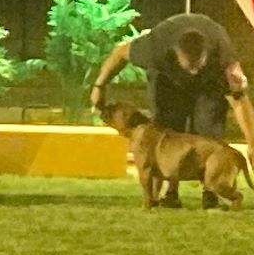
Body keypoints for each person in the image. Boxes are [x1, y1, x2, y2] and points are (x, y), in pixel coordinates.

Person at [91, 12, 254, 209]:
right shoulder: (155, 47)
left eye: (198, 65)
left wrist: (252, 142)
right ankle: (169, 194)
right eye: (189, 65)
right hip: (167, 81)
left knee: (209, 129)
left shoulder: (223, 56)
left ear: (207, 54)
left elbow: (239, 100)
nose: (193, 71)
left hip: (209, 84)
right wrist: (99, 86)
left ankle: (210, 193)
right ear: (176, 53)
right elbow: (120, 53)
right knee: (164, 132)